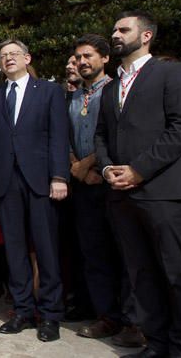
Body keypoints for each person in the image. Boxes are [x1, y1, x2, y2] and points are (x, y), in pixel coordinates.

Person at [95, 11, 181, 357]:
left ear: (146, 36)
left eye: (123, 28)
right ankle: (156, 344)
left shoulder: (172, 72)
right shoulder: (111, 88)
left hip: (163, 193)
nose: (115, 33)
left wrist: (139, 170)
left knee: (176, 275)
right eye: (114, 28)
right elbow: (100, 136)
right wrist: (108, 166)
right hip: (120, 197)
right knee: (141, 275)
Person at [0, 39, 69, 343]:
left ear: (27, 57)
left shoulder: (49, 91)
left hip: (41, 180)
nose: (8, 59)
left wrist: (59, 176)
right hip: (4, 181)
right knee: (14, 250)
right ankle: (23, 311)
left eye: (14, 54)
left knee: (46, 249)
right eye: (3, 56)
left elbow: (58, 136)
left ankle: (51, 315)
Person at [67, 34, 139, 342]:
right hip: (83, 188)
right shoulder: (70, 97)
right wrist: (77, 169)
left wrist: (91, 166)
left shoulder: (116, 91)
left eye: (88, 56)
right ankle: (106, 317)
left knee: (126, 255)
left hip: (113, 183)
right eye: (78, 57)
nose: (82, 62)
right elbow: (63, 136)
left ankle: (134, 321)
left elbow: (113, 136)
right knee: (93, 255)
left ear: (104, 58)